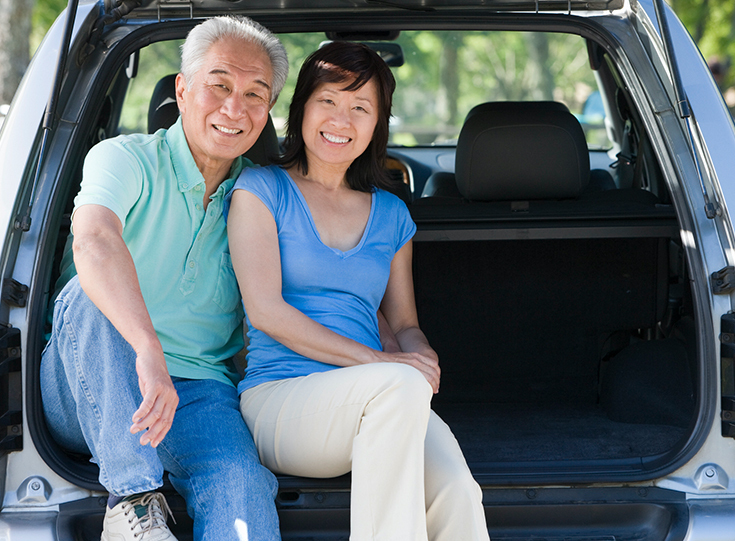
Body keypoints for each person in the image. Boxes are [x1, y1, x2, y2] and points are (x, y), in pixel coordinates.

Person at [226, 41, 490, 541]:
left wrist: (421, 357)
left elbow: (405, 324)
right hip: (282, 400)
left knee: (456, 488)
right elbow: (266, 312)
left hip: (384, 396)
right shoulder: (260, 190)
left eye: (360, 108)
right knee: (400, 388)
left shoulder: (391, 214)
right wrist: (386, 366)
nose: (340, 119)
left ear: (376, 127)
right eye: (327, 100)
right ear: (301, 107)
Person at [40, 16, 288, 541]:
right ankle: (135, 504)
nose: (234, 108)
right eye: (219, 85)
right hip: (84, 380)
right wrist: (145, 348)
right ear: (182, 88)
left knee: (241, 483)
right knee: (88, 293)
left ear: (268, 111)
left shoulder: (262, 196)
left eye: (255, 95)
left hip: (197, 391)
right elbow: (96, 240)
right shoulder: (123, 158)